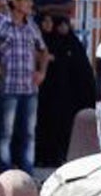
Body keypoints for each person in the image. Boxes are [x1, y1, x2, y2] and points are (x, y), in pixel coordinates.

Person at [0, 0, 48, 171]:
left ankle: (27, 172)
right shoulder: (0, 23)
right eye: (25, 0)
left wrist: (42, 72)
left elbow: (43, 50)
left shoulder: (31, 25)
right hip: (8, 86)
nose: (29, 3)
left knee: (28, 133)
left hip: (29, 87)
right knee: (5, 133)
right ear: (14, 2)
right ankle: (5, 172)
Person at [35, 12, 96, 169]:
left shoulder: (72, 44)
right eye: (59, 24)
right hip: (47, 96)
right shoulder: (43, 43)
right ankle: (45, 157)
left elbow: (82, 71)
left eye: (65, 24)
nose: (62, 28)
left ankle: (59, 155)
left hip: (69, 97)